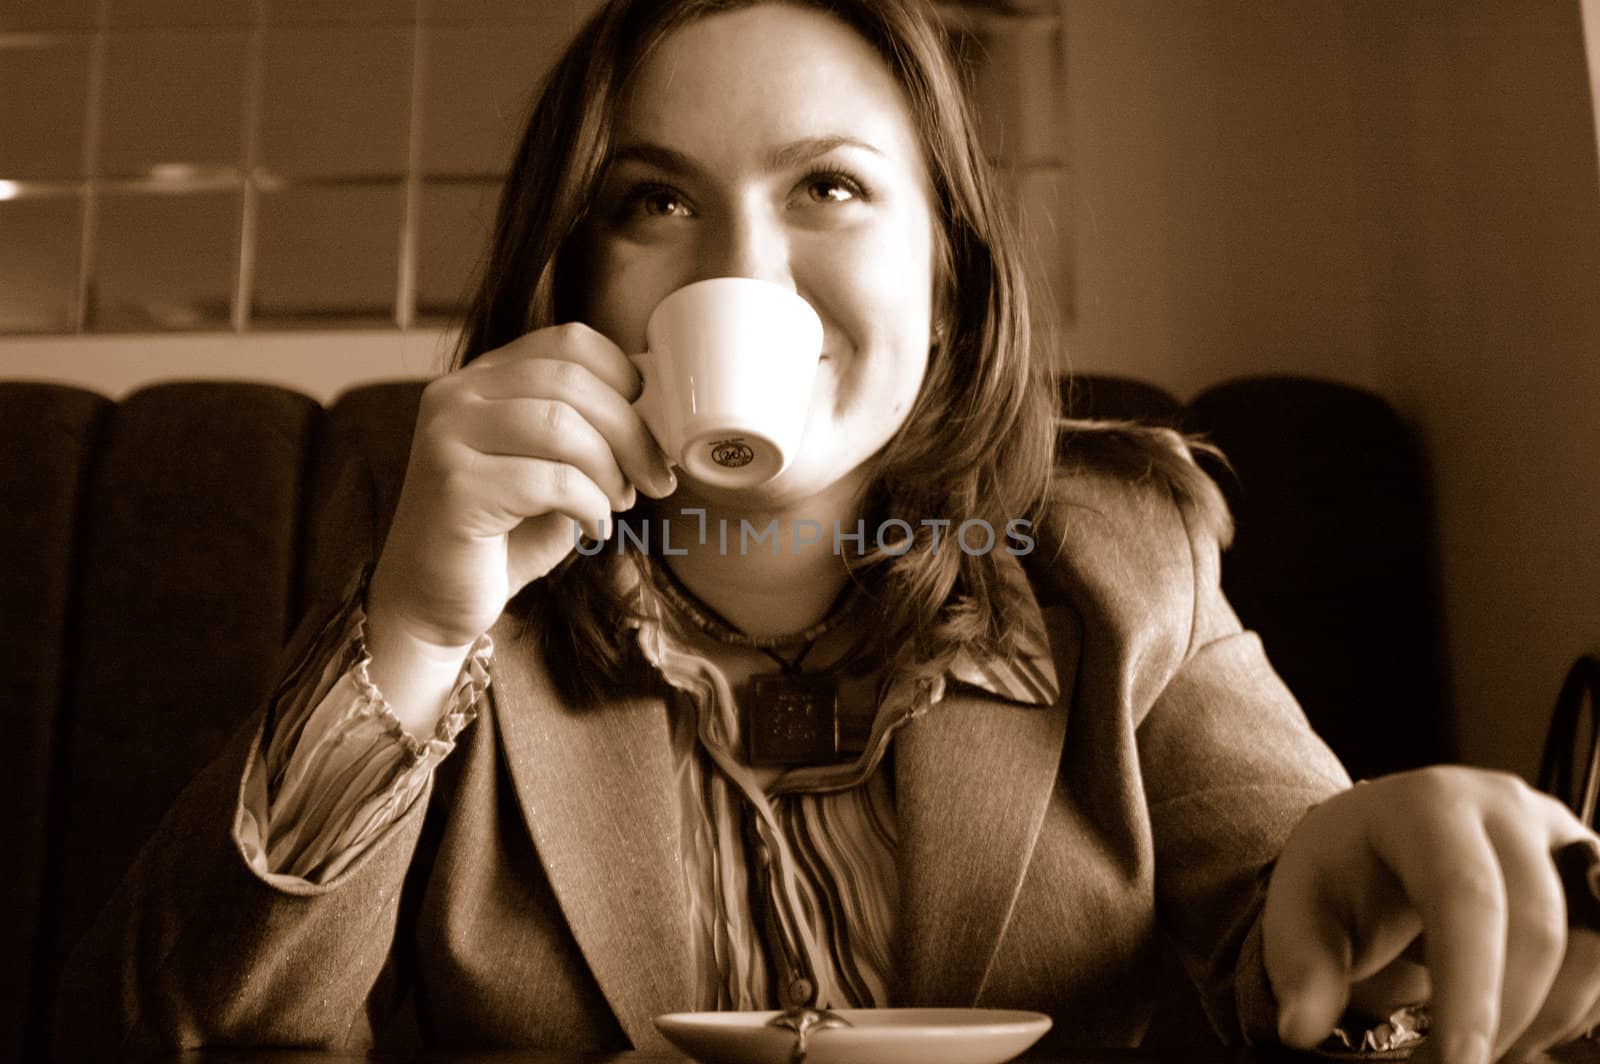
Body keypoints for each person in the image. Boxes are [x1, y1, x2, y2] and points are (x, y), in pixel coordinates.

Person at [55, 0, 1600, 1059]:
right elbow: (174, 1037)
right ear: (580, 282)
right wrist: (412, 633)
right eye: (652, 203)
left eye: (831, 189)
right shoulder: (455, 584)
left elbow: (1299, 918)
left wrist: (1382, 891)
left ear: (948, 276)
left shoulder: (1122, 558)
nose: (750, 269)